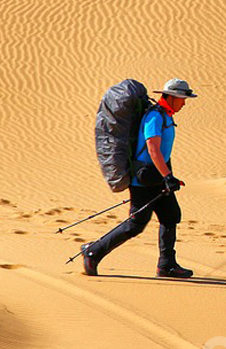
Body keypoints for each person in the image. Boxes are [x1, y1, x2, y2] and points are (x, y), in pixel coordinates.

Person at [81, 78, 198, 278]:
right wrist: (167, 176)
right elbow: (152, 149)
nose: (184, 103)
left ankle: (167, 265)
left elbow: (163, 152)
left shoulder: (166, 116)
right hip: (144, 180)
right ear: (170, 97)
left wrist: (170, 177)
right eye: (181, 98)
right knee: (136, 224)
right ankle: (93, 252)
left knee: (171, 216)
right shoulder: (155, 116)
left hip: (157, 177)